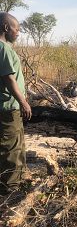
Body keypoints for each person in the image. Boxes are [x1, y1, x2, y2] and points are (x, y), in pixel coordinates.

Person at [0, 12, 32, 195]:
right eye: (16, 29)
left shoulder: (4, 48)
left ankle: (16, 181)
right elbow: (9, 79)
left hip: (9, 106)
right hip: (9, 106)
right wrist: (24, 102)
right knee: (11, 147)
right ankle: (11, 189)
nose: (18, 33)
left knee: (15, 144)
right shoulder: (3, 48)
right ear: (6, 27)